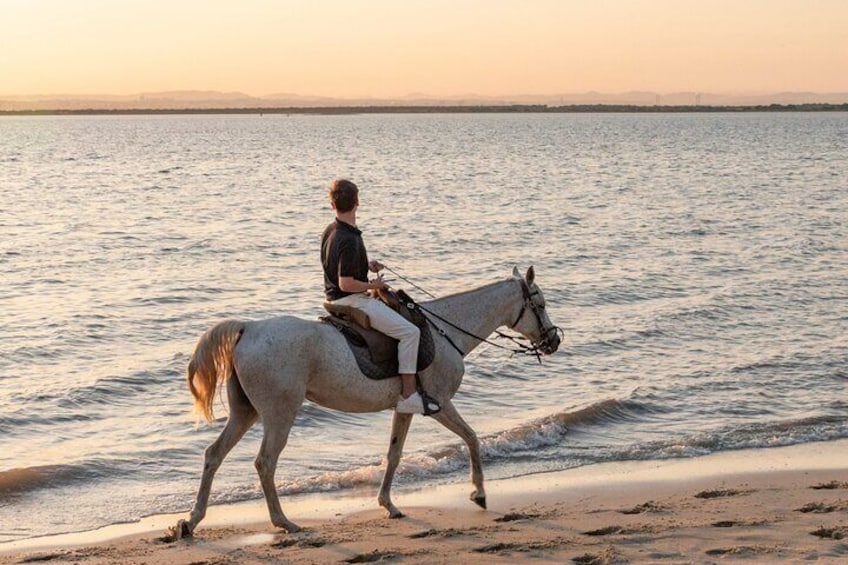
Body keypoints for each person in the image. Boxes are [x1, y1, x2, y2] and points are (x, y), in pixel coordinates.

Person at [321, 179, 439, 415]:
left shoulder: (332, 230)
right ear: (357, 201)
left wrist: (366, 264)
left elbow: (337, 267)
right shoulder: (349, 238)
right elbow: (346, 283)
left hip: (333, 297)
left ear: (332, 204)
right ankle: (408, 395)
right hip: (350, 300)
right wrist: (373, 284)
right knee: (410, 332)